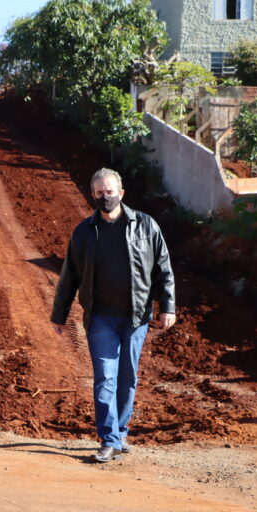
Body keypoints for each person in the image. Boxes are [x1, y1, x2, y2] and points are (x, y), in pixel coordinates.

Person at [51, 168, 175, 463]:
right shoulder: (84, 232)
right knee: (105, 377)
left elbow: (163, 269)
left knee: (127, 377)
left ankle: (120, 432)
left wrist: (168, 306)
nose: (104, 197)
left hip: (136, 317)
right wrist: (60, 313)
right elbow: (70, 276)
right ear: (92, 194)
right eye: (98, 192)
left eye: (109, 192)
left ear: (121, 193)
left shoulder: (146, 226)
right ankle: (108, 439)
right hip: (101, 319)